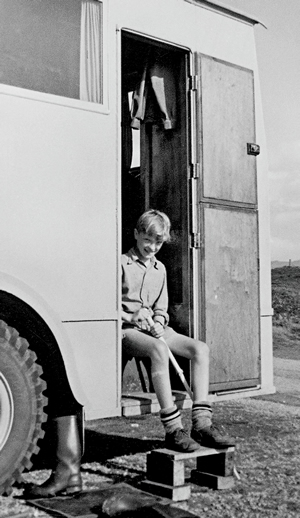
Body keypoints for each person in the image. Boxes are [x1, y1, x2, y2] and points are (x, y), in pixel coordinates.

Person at [122, 209, 235, 452]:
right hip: (126, 330)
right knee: (160, 350)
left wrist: (160, 321)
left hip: (156, 329)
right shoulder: (120, 263)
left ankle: (202, 425)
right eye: (147, 240)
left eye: (158, 242)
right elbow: (103, 305)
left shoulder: (160, 269)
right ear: (135, 235)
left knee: (200, 349)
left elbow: (161, 307)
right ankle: (173, 429)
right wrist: (131, 314)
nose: (152, 247)